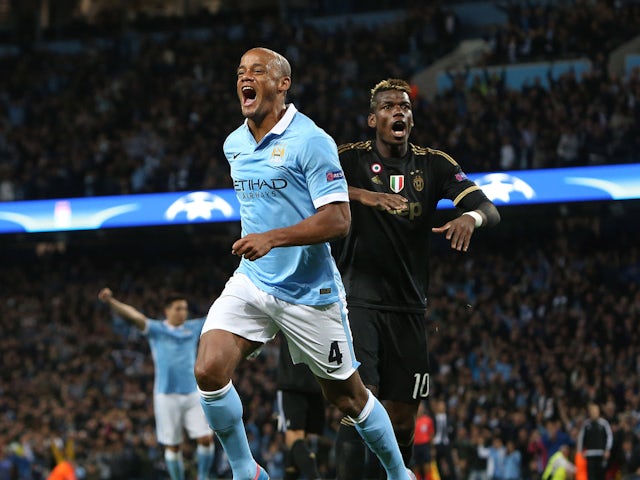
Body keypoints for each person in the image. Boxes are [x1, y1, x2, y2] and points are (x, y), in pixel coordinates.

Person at [193, 47, 415, 480]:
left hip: (309, 293)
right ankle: (247, 471)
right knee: (208, 369)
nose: (245, 78)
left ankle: (398, 473)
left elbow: (339, 219)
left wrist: (272, 239)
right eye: (240, 72)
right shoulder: (233, 143)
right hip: (254, 282)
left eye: (257, 71)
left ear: (282, 84)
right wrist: (263, 245)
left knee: (349, 399)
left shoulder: (312, 140)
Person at [333, 77, 500, 479]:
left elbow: (489, 208)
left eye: (405, 107)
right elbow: (306, 186)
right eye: (389, 106)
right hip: (359, 301)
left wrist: (468, 217)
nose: (399, 112)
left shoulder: (434, 164)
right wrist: (363, 195)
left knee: (403, 420)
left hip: (409, 307)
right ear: (373, 118)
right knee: (360, 404)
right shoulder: (348, 158)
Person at [98, 288, 214, 480]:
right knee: (173, 445)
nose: (183, 312)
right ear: (167, 311)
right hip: (166, 394)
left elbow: (218, 314)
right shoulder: (157, 329)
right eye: (178, 309)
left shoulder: (193, 327)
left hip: (193, 393)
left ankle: (203, 477)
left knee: (206, 439)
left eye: (185, 308)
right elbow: (134, 316)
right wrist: (111, 301)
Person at [275, 333, 324, 480]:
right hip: (318, 380)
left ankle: (315, 477)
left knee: (294, 437)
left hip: (291, 381)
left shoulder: (284, 309)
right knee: (309, 441)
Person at [577, 403, 613, 480]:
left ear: (599, 412)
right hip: (590, 454)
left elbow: (609, 436)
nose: (594, 413)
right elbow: (581, 437)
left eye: (596, 411)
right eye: (592, 411)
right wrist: (580, 451)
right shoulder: (586, 424)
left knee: (601, 476)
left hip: (601, 454)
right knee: (591, 477)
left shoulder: (604, 423)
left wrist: (607, 449)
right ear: (589, 412)